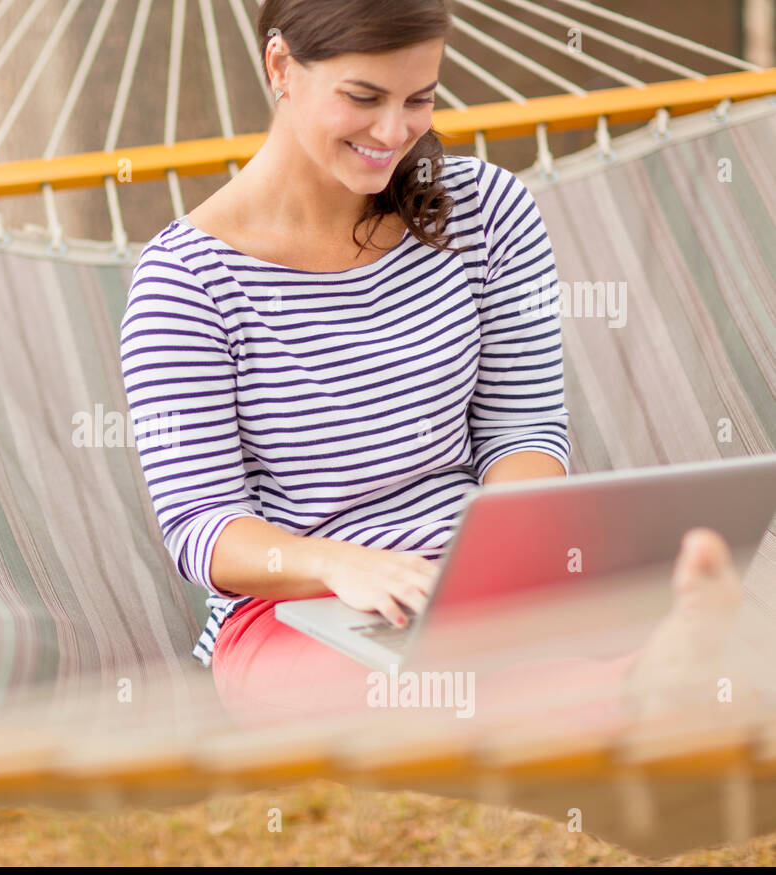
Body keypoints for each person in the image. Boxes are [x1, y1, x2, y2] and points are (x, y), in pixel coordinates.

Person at [118, 0, 765, 725]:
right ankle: (639, 694)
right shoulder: (185, 282)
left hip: (477, 588)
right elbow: (202, 527)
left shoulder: (490, 213)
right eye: (362, 97)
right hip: (295, 614)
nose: (394, 132)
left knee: (526, 649)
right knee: (414, 698)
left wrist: (511, 543)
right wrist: (342, 564)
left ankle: (638, 683)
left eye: (419, 99)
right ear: (280, 66)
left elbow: (522, 426)